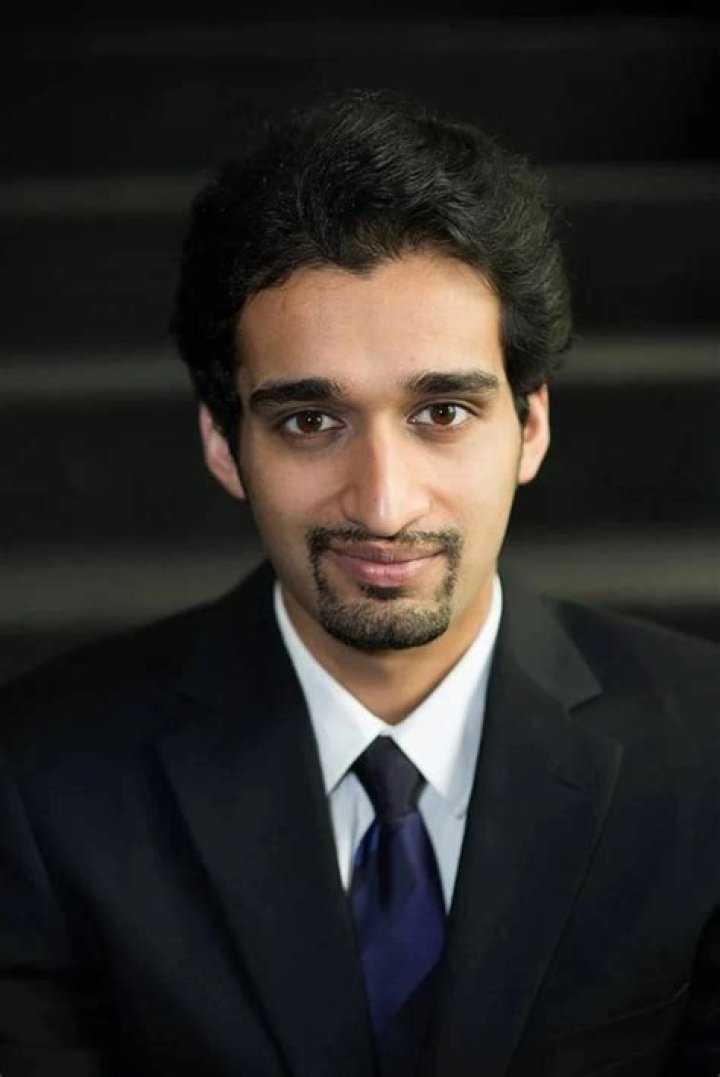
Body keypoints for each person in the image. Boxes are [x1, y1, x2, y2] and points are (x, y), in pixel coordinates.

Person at [0, 89, 718, 1077]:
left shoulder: (707, 749)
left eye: (442, 413)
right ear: (223, 444)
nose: (383, 503)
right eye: (310, 421)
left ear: (531, 427)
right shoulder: (41, 781)